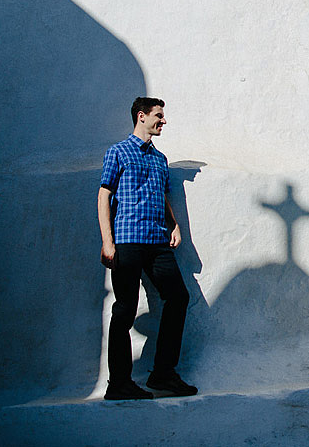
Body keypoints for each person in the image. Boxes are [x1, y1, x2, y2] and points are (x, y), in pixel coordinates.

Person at [98, 97, 197, 400]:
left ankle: (163, 374)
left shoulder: (160, 159)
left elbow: (162, 194)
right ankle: (119, 384)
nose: (163, 121)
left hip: (157, 242)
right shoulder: (118, 152)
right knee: (125, 309)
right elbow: (104, 196)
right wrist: (107, 241)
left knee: (178, 297)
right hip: (127, 241)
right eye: (159, 116)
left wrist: (175, 224)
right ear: (141, 116)